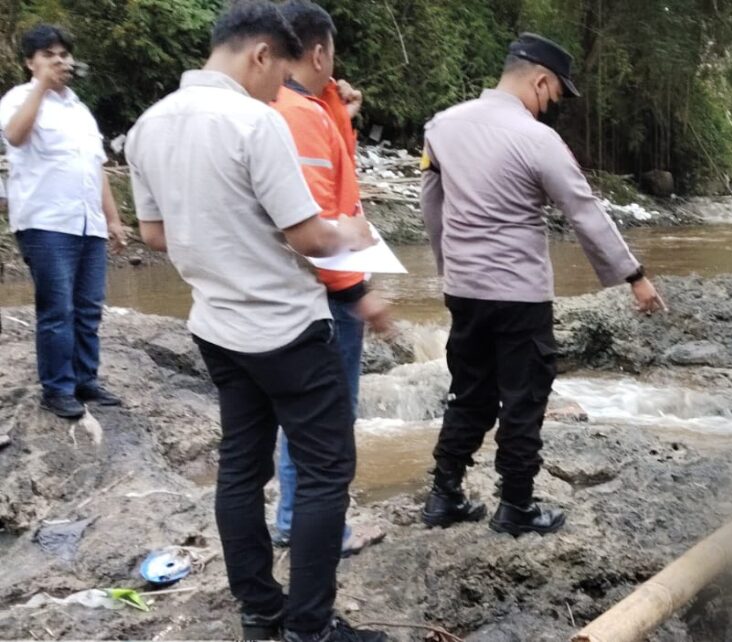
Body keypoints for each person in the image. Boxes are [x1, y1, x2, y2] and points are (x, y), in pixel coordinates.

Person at [125, 3, 386, 641]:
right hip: (286, 328)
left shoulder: (148, 125)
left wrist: (220, 235)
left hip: (215, 326)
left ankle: (260, 612)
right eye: (279, 74)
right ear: (261, 54)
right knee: (326, 473)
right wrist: (352, 229)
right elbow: (310, 237)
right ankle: (310, 628)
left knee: (241, 468)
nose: (282, 90)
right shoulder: (254, 121)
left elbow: (154, 235)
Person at [420, 33, 668, 537]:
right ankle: (515, 507)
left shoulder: (442, 126)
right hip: (518, 295)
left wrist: (449, 264)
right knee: (524, 397)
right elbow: (584, 212)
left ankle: (444, 496)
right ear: (539, 80)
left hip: (464, 289)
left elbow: (431, 205)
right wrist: (634, 276)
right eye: (553, 96)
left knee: (469, 391)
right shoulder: (537, 140)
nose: (550, 107)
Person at [269, 0, 392, 557]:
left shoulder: (291, 105)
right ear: (319, 51)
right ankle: (316, 527)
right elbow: (317, 220)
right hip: (324, 292)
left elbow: (335, 170)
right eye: (333, 54)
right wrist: (358, 294)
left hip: (294, 291)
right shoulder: (299, 115)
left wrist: (339, 111)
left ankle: (294, 516)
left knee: (301, 417)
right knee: (326, 420)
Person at [0, 24, 127, 419]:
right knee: (58, 309)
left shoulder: (80, 110)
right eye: (50, 54)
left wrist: (114, 219)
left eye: (65, 54)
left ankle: (85, 379)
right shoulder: (17, 99)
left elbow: (97, 167)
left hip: (87, 223)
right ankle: (56, 388)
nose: (61, 60)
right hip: (45, 222)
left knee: (89, 307)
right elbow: (15, 137)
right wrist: (40, 86)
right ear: (30, 62)